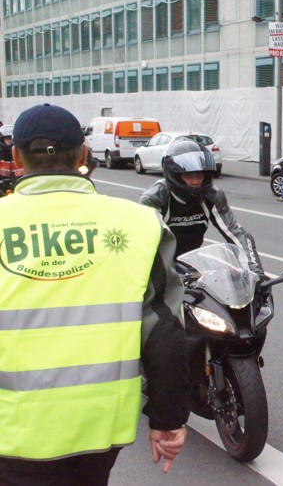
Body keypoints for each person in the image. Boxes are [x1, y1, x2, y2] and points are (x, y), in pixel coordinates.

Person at [0, 103, 190, 484]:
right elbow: (164, 330)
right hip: (99, 434)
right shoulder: (138, 224)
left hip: (11, 438)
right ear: (83, 154)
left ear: (16, 157)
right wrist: (168, 419)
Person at [139, 139, 268, 284]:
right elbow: (143, 242)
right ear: (174, 175)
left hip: (190, 264)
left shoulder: (213, 196)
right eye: (189, 175)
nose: (195, 181)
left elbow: (236, 233)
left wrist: (256, 272)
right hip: (156, 265)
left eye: (199, 175)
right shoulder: (155, 198)